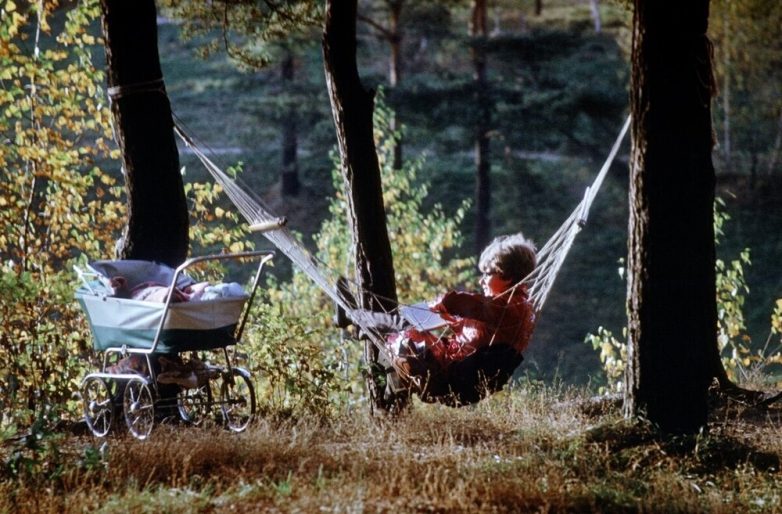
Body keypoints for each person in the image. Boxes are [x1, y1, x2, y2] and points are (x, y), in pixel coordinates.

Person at [390, 232, 537, 406]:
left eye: (488, 274)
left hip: (453, 378)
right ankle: (366, 321)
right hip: (459, 373)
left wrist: (435, 306)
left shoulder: (507, 307)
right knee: (404, 336)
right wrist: (449, 321)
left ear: (507, 276)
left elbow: (454, 302)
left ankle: (362, 319)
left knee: (397, 339)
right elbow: (480, 333)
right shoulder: (517, 306)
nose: (481, 281)